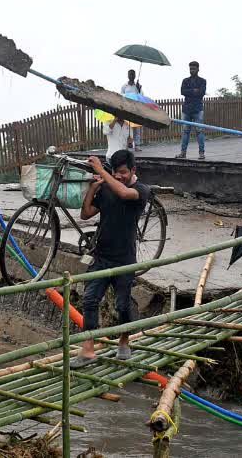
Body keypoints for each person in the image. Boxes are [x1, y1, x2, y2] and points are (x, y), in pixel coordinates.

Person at [71, 150, 151, 368]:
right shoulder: (107, 187)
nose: (118, 176)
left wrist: (101, 172)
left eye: (123, 173)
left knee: (122, 305)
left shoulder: (141, 191)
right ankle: (88, 349)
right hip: (101, 255)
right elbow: (86, 214)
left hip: (124, 259)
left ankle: (124, 340)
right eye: (115, 172)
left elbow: (125, 194)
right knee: (89, 300)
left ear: (133, 170)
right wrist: (92, 189)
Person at [178, 61, 206, 160]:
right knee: (185, 131)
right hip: (186, 110)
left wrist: (189, 92)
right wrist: (194, 91)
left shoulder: (203, 81)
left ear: (198, 69)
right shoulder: (185, 80)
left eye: (194, 68)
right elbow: (182, 91)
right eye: (190, 69)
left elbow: (202, 92)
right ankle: (183, 153)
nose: (192, 70)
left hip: (198, 109)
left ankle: (201, 153)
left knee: (199, 131)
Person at [121, 70, 143, 150]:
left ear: (135, 76)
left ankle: (137, 146)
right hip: (127, 108)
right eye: (130, 74)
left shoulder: (138, 86)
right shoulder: (124, 86)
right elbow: (121, 96)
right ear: (128, 76)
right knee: (127, 128)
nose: (131, 76)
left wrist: (138, 89)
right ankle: (128, 144)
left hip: (136, 109)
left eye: (133, 74)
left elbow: (141, 97)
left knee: (137, 128)